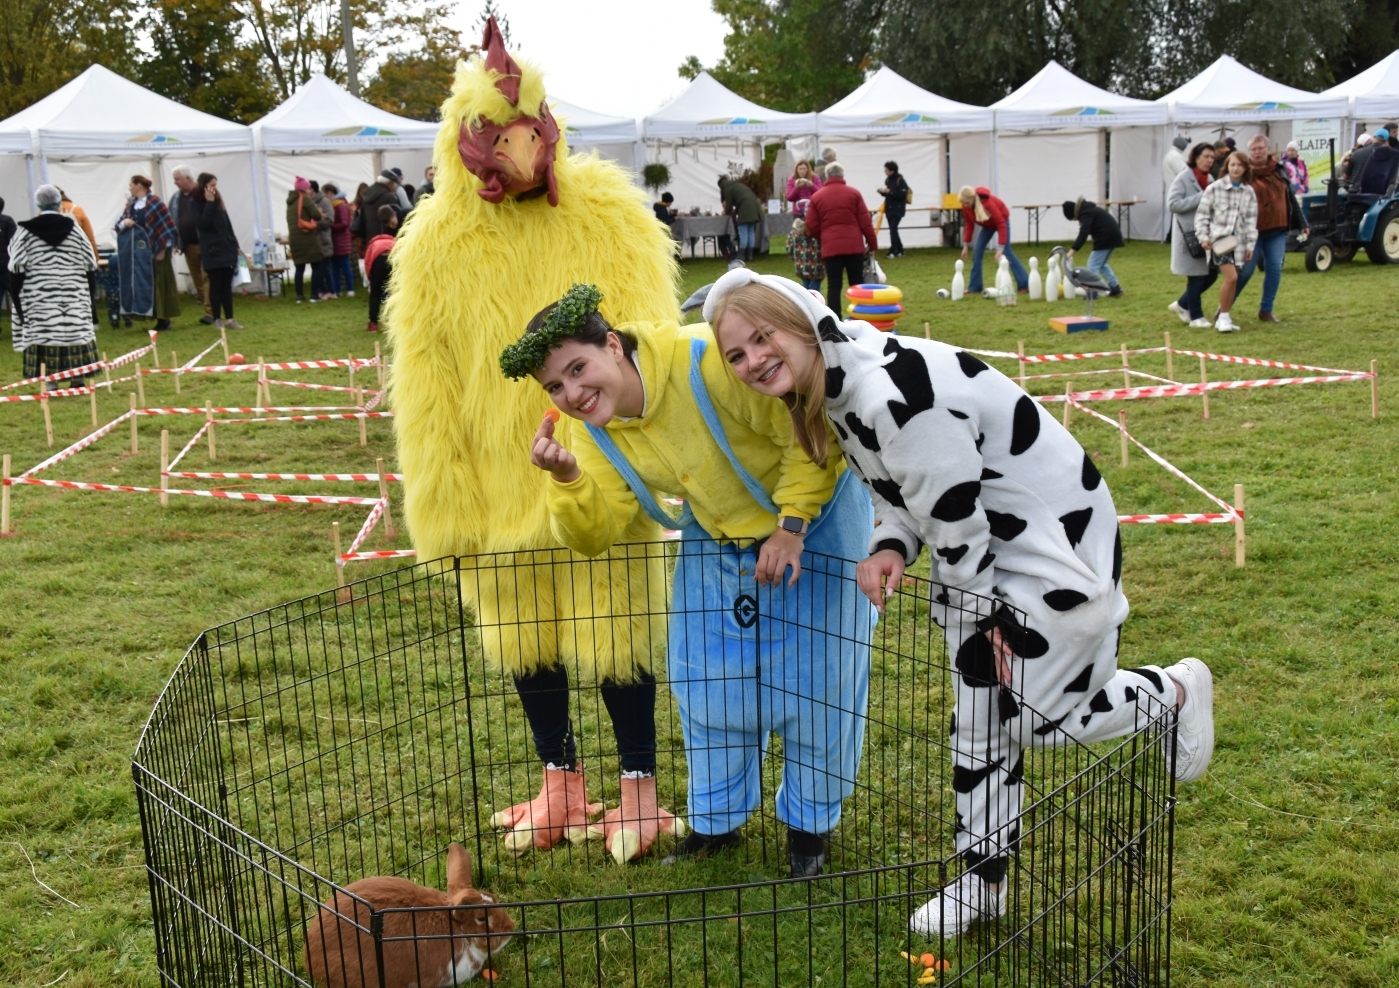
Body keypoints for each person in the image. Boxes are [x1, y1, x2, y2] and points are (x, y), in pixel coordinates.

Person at [702, 266, 1215, 938]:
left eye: (760, 338)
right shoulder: (836, 385)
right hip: (988, 563)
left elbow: (959, 525)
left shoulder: (883, 394)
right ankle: (980, 881)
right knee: (978, 723)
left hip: (1047, 555)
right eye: (735, 354)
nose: (750, 361)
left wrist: (986, 621)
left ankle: (1170, 692)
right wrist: (890, 545)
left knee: (1035, 720)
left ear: (802, 323)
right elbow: (906, 497)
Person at [512, 284, 874, 876]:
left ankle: (809, 830)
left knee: (819, 683)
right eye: (555, 386)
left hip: (814, 515)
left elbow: (809, 433)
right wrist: (572, 480)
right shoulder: (591, 429)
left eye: (579, 369)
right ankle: (716, 823)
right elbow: (599, 531)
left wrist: (791, 526)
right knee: (708, 681)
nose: (572, 394)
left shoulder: (711, 360)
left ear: (612, 344)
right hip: (718, 527)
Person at [8, 185, 100, 388]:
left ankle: (50, 382)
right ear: (59, 203)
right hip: (74, 298)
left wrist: (18, 301)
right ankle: (78, 379)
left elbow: (16, 268)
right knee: (75, 334)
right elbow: (90, 265)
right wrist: (89, 300)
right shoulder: (75, 230)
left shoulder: (24, 232)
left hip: (40, 301)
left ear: (38, 204)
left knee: (45, 335)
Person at [1234, 136, 1306, 325]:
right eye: (1253, 149)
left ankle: (1266, 310)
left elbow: (1290, 196)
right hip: (1252, 232)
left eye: (1260, 148)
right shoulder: (1245, 173)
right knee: (1245, 272)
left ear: (1269, 150)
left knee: (1274, 269)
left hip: (1277, 230)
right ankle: (1224, 308)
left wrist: (1302, 221)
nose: (1257, 152)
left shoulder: (1279, 169)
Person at [1195, 151, 1258, 334]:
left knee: (1234, 279)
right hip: (1219, 241)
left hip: (1239, 243)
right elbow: (1202, 215)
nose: (1236, 168)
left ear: (1245, 168)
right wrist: (1203, 237)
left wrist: (1250, 245)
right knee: (1231, 277)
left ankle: (1225, 315)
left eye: (1239, 165)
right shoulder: (1214, 188)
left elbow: (1251, 222)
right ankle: (1222, 317)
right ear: (1227, 167)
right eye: (1232, 165)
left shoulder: (1249, 192)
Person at [805, 162, 878, 313]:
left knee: (834, 284)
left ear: (827, 175)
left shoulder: (817, 197)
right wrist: (872, 245)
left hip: (831, 247)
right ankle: (861, 315)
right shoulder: (854, 193)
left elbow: (810, 225)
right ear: (842, 175)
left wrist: (823, 237)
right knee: (857, 283)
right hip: (854, 246)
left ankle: (836, 319)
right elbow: (865, 222)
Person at [116, 175, 180, 330]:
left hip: (157, 250)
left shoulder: (155, 203)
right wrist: (126, 222)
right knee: (145, 283)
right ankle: (147, 313)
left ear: (139, 185)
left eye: (131, 184)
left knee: (159, 283)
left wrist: (163, 250)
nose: (129, 187)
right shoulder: (132, 204)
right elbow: (119, 224)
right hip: (139, 253)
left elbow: (167, 227)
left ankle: (164, 319)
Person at [1166, 143, 1218, 328]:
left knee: (1211, 274)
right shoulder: (1183, 178)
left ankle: (1181, 304)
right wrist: (1202, 196)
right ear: (1195, 157)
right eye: (1205, 156)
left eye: (1212, 157)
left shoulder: (1210, 178)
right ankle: (1196, 317)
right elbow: (1173, 204)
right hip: (1188, 235)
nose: (1209, 160)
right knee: (1196, 276)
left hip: (1206, 233)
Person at [193, 173, 243, 331]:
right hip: (211, 250)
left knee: (226, 286)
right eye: (212, 185)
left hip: (226, 248)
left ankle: (230, 318)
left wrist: (235, 245)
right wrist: (209, 203)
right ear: (204, 185)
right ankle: (217, 318)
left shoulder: (219, 200)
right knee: (215, 285)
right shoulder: (195, 202)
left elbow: (227, 224)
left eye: (215, 185)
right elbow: (202, 225)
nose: (215, 188)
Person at [959, 185, 1028, 296]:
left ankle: (1024, 284)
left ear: (972, 198)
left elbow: (1001, 223)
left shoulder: (987, 203)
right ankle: (975, 286)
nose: (965, 205)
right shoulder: (966, 206)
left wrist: (1000, 247)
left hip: (1002, 221)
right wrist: (966, 244)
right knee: (977, 252)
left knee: (1007, 252)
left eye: (967, 203)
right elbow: (969, 225)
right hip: (987, 225)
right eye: (964, 203)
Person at [170, 166, 214, 324]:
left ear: (188, 178)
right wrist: (175, 241)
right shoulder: (176, 198)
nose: (175, 182)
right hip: (188, 245)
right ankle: (208, 309)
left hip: (205, 243)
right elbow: (172, 220)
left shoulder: (202, 193)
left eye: (177, 179)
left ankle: (211, 312)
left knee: (207, 277)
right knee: (198, 280)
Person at [1063, 197, 1125, 297]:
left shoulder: (1085, 214)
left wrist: (1071, 252)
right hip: (1113, 235)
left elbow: (1083, 234)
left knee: (1092, 264)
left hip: (1106, 237)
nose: (1075, 220)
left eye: (1073, 218)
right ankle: (1115, 287)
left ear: (1074, 213)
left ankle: (1093, 292)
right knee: (1101, 264)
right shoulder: (1088, 210)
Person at [286, 176, 325, 304]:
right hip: (308, 238)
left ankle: (299, 296)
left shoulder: (290, 201)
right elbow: (316, 215)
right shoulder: (305, 199)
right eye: (308, 187)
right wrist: (319, 212)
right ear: (304, 189)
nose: (310, 190)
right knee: (316, 265)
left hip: (295, 239)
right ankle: (314, 295)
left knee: (299, 268)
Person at [363, 206, 396, 333]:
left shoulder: (373, 244)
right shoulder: (394, 241)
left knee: (375, 294)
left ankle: (373, 324)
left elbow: (367, 262)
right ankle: (394, 321)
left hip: (378, 262)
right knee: (394, 292)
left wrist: (370, 281)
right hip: (393, 259)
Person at [718, 175, 764, 265]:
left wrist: (726, 212)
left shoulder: (726, 188)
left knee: (743, 232)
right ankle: (749, 256)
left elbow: (729, 203)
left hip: (745, 209)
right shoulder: (736, 185)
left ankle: (741, 256)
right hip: (755, 207)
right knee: (750, 231)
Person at [323, 183, 355, 297]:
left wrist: (330, 225)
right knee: (335, 268)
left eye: (325, 193)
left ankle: (350, 289)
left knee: (345, 266)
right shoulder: (331, 205)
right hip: (334, 241)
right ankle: (337, 290)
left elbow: (344, 224)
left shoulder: (340, 206)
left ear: (330, 193)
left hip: (342, 241)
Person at [308, 180, 336, 301]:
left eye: (307, 189)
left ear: (312, 190)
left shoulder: (325, 202)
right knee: (317, 268)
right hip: (313, 240)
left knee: (326, 267)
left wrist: (314, 223)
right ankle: (321, 290)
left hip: (323, 239)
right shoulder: (308, 203)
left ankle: (331, 291)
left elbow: (330, 220)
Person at [877, 160, 910, 258]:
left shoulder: (900, 180)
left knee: (893, 229)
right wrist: (882, 192)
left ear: (892, 170)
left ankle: (893, 250)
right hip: (889, 208)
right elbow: (888, 194)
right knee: (893, 229)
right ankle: (900, 250)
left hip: (898, 209)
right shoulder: (888, 180)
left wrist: (890, 192)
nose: (885, 171)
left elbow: (902, 195)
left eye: (886, 169)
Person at [58, 190, 98, 260]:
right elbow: (90, 239)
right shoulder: (78, 210)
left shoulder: (42, 213)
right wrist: (96, 259)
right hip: (76, 256)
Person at [360, 171, 400, 239]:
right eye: (393, 183)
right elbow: (397, 220)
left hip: (370, 239)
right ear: (389, 182)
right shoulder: (389, 197)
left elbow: (362, 218)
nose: (394, 186)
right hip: (386, 240)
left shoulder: (366, 194)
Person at [787, 215, 823, 290]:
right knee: (814, 290)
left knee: (805, 288)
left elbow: (789, 249)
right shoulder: (818, 233)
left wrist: (796, 259)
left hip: (801, 266)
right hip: (817, 267)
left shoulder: (794, 234)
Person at [0, 197, 15, 321]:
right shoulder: (8, 220)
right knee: (18, 295)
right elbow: (14, 242)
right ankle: (24, 324)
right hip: (7, 266)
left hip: (5, 267)